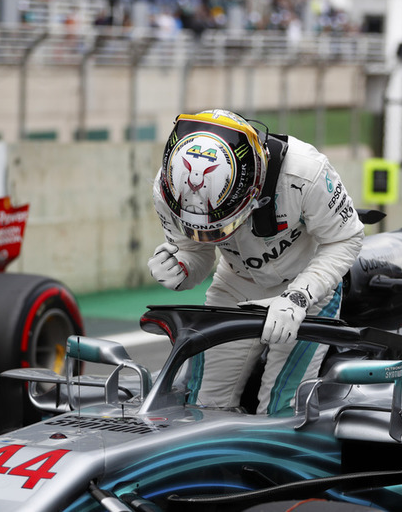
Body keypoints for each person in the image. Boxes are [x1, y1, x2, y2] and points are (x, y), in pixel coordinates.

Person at [147, 109, 364, 415]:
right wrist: (182, 266)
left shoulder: (306, 172)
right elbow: (198, 251)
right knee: (202, 406)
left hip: (307, 290)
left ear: (254, 185)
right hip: (235, 283)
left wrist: (300, 296)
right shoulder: (166, 188)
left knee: (281, 410)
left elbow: (346, 239)